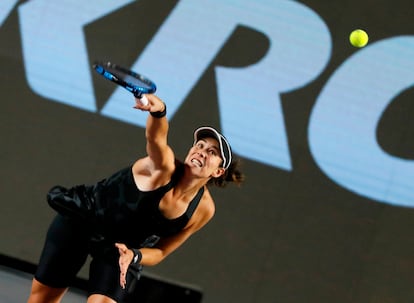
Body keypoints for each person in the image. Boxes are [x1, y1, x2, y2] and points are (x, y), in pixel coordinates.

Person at [27, 94, 244, 303]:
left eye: (212, 152)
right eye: (200, 145)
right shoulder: (163, 167)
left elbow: (160, 251)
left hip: (122, 249)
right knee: (42, 300)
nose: (202, 152)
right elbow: (156, 138)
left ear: (218, 172)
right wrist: (159, 113)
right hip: (84, 219)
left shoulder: (203, 209)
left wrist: (134, 255)